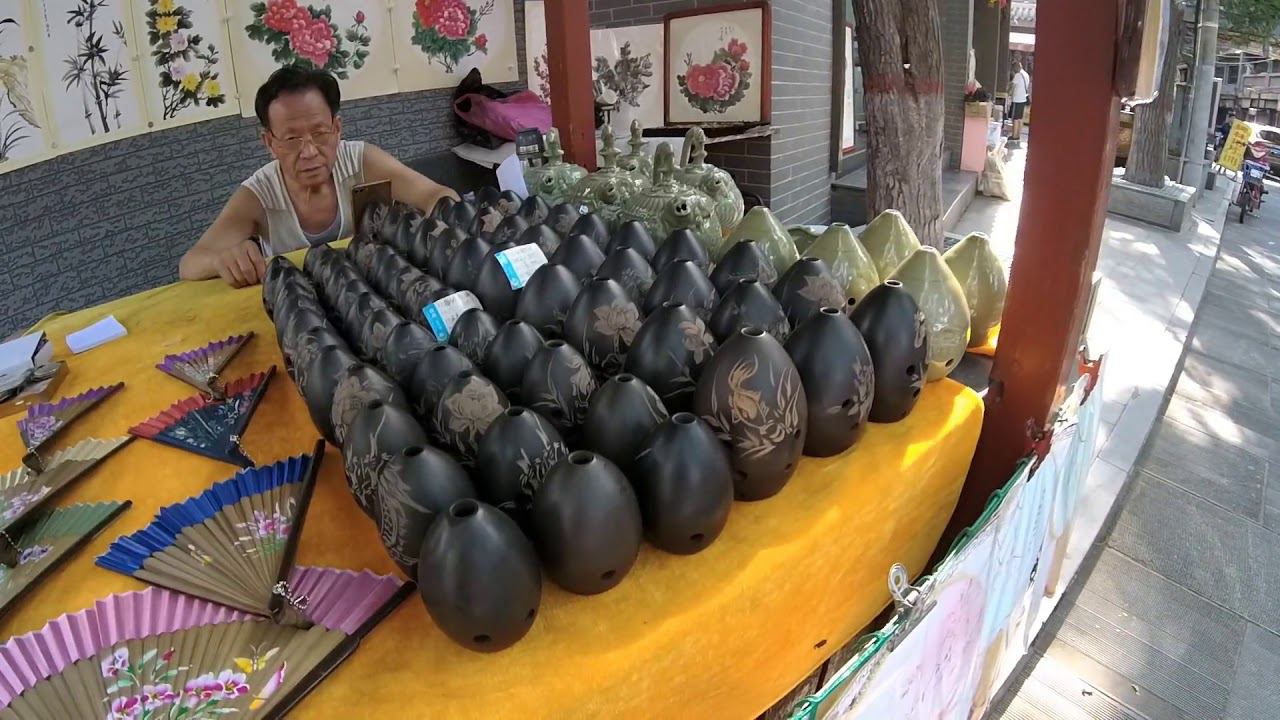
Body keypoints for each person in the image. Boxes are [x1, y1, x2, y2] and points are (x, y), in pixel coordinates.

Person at [179, 67, 459, 287]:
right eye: (291, 139)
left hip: (372, 296)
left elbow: (438, 195)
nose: (309, 152)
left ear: (337, 129)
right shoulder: (260, 194)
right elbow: (190, 264)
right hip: (300, 313)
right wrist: (223, 260)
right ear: (269, 143)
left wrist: (441, 228)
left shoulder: (361, 162)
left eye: (320, 133)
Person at [1008, 60, 1031, 146]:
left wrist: (1009, 94)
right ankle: (1018, 135)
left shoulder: (1018, 75)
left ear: (1016, 67)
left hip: (1017, 99)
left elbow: (1013, 86)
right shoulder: (1026, 75)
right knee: (1020, 118)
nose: (1013, 71)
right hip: (1023, 99)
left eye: (1014, 69)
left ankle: (1014, 136)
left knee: (1015, 118)